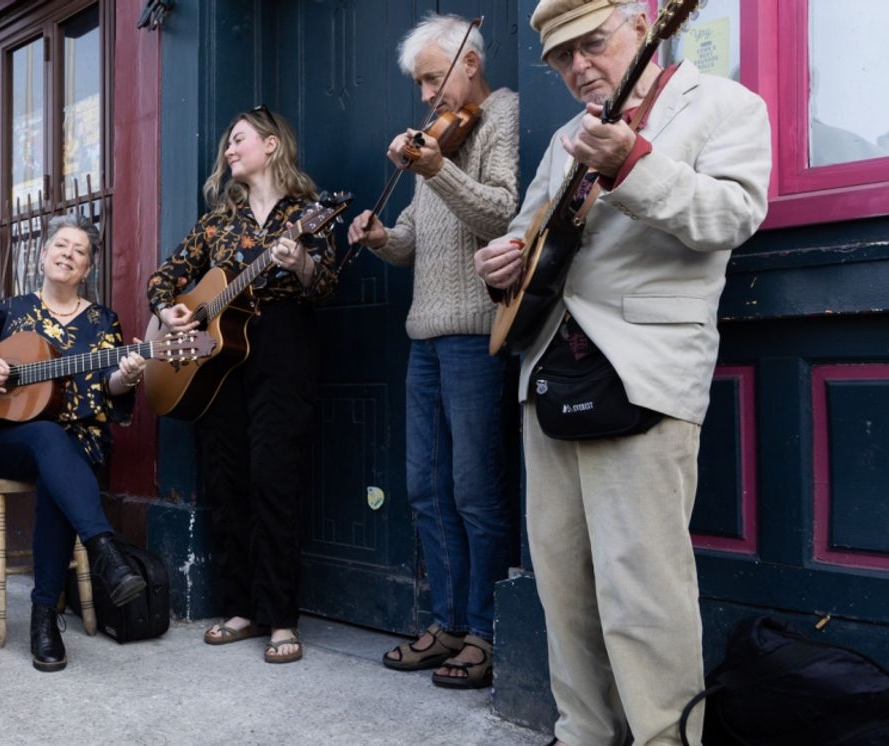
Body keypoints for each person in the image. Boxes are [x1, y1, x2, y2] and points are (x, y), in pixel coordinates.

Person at [473, 1, 771, 743]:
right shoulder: (566, 137)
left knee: (643, 592)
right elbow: (530, 230)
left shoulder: (727, 105)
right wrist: (501, 261)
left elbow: (733, 215)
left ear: (644, 25)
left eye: (592, 44)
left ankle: (665, 738)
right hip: (551, 369)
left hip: (643, 371)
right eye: (562, 58)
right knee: (564, 588)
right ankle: (583, 734)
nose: (579, 67)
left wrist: (633, 165)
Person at [346, 13, 521, 689]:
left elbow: (501, 214)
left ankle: (485, 630)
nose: (424, 94)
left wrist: (437, 166)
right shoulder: (433, 145)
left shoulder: (498, 114)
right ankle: (447, 623)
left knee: (476, 491)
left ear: (467, 64)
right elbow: (417, 239)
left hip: (477, 333)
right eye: (419, 81)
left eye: (430, 77)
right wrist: (379, 237)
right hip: (425, 335)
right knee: (425, 489)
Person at [149, 106, 340, 664]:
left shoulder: (308, 213)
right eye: (227, 144)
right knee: (227, 479)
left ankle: (281, 617)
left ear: (273, 144)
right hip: (216, 363)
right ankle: (242, 607)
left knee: (274, 478)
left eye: (238, 140)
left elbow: (324, 283)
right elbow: (165, 278)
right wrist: (171, 313)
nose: (229, 151)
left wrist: (299, 260)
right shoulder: (216, 224)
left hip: (282, 349)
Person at [0, 214, 148, 673]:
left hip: (79, 442)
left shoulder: (103, 321)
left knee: (58, 469)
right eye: (61, 245)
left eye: (79, 250)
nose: (68, 253)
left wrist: (125, 376)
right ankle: (105, 549)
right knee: (47, 437)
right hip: (11, 443)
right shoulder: (11, 310)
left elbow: (112, 387)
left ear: (87, 268)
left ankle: (44, 617)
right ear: (43, 254)